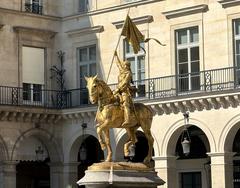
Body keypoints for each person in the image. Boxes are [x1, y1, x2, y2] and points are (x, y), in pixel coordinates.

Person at [113, 51, 136, 127]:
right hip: (118, 91)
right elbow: (118, 64)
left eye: (126, 65)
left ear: (128, 66)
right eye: (124, 65)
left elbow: (125, 83)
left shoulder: (128, 73)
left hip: (125, 91)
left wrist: (118, 89)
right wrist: (116, 55)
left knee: (125, 104)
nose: (125, 66)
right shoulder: (122, 71)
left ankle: (127, 119)